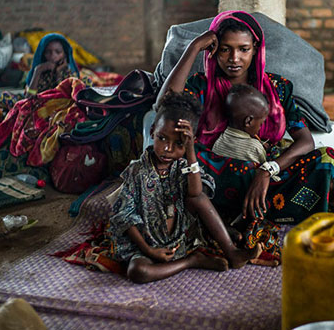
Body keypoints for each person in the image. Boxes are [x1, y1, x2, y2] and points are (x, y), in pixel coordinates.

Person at [157, 10, 334, 225]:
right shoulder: (201, 85)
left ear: (255, 49)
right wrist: (194, 47)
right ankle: (257, 212)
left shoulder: (277, 87)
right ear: (213, 51)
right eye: (225, 49)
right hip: (215, 174)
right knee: (182, 156)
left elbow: (305, 141)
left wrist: (266, 171)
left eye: (243, 49)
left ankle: (242, 213)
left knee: (328, 156)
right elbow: (164, 105)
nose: (234, 59)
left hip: (266, 170)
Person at [107, 92, 261, 283]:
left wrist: (190, 152)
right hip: (146, 244)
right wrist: (149, 250)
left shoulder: (183, 167)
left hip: (181, 236)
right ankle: (191, 261)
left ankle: (232, 251)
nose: (167, 149)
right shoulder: (136, 171)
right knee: (139, 272)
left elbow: (196, 194)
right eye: (162, 138)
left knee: (198, 197)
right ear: (153, 131)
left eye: (178, 143)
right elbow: (125, 216)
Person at [0, 33, 88, 109]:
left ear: (65, 54)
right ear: (42, 54)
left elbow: (63, 97)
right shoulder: (40, 70)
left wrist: (58, 74)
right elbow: (28, 98)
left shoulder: (69, 72)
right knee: (5, 96)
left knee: (86, 84)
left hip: (61, 107)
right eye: (48, 52)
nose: (53, 56)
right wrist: (37, 71)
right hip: (38, 105)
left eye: (58, 52)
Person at [212, 84, 270, 164]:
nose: (261, 127)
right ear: (248, 121)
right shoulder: (255, 148)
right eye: (261, 123)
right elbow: (264, 169)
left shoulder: (219, 141)